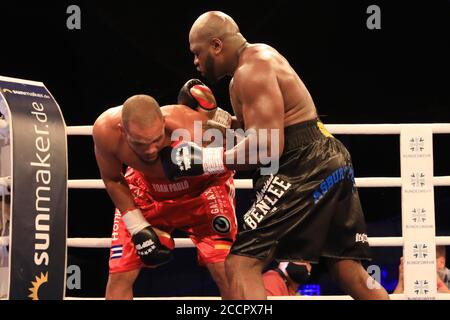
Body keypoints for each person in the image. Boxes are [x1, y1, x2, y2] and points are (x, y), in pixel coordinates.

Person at [160, 11, 389, 299]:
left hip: (304, 163)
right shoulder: (252, 65)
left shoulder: (251, 70)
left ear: (216, 45)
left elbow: (265, 148)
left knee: (241, 263)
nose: (195, 62)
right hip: (328, 158)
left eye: (197, 52)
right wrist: (213, 118)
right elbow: (253, 131)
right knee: (347, 269)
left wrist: (205, 161)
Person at [92, 80, 237, 299]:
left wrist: (212, 141)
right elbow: (113, 179)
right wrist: (137, 227)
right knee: (119, 276)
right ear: (123, 130)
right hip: (146, 190)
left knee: (227, 271)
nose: (150, 150)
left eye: (156, 140)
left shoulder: (190, 127)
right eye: (140, 144)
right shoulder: (106, 131)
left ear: (163, 121)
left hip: (200, 191)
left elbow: (258, 152)